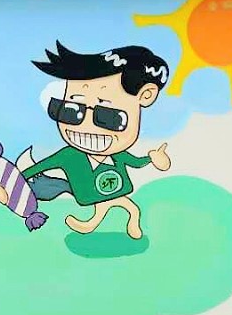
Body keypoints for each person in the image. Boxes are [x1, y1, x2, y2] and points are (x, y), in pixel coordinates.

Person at [10, 42, 171, 239]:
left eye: (107, 117)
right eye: (70, 111)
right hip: (92, 193)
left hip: (113, 191)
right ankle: (89, 225)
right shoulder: (69, 156)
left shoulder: (118, 156)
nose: (86, 126)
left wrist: (153, 159)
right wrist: (17, 179)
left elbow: (136, 162)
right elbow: (42, 166)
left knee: (131, 209)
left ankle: (102, 224)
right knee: (104, 209)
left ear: (145, 96)